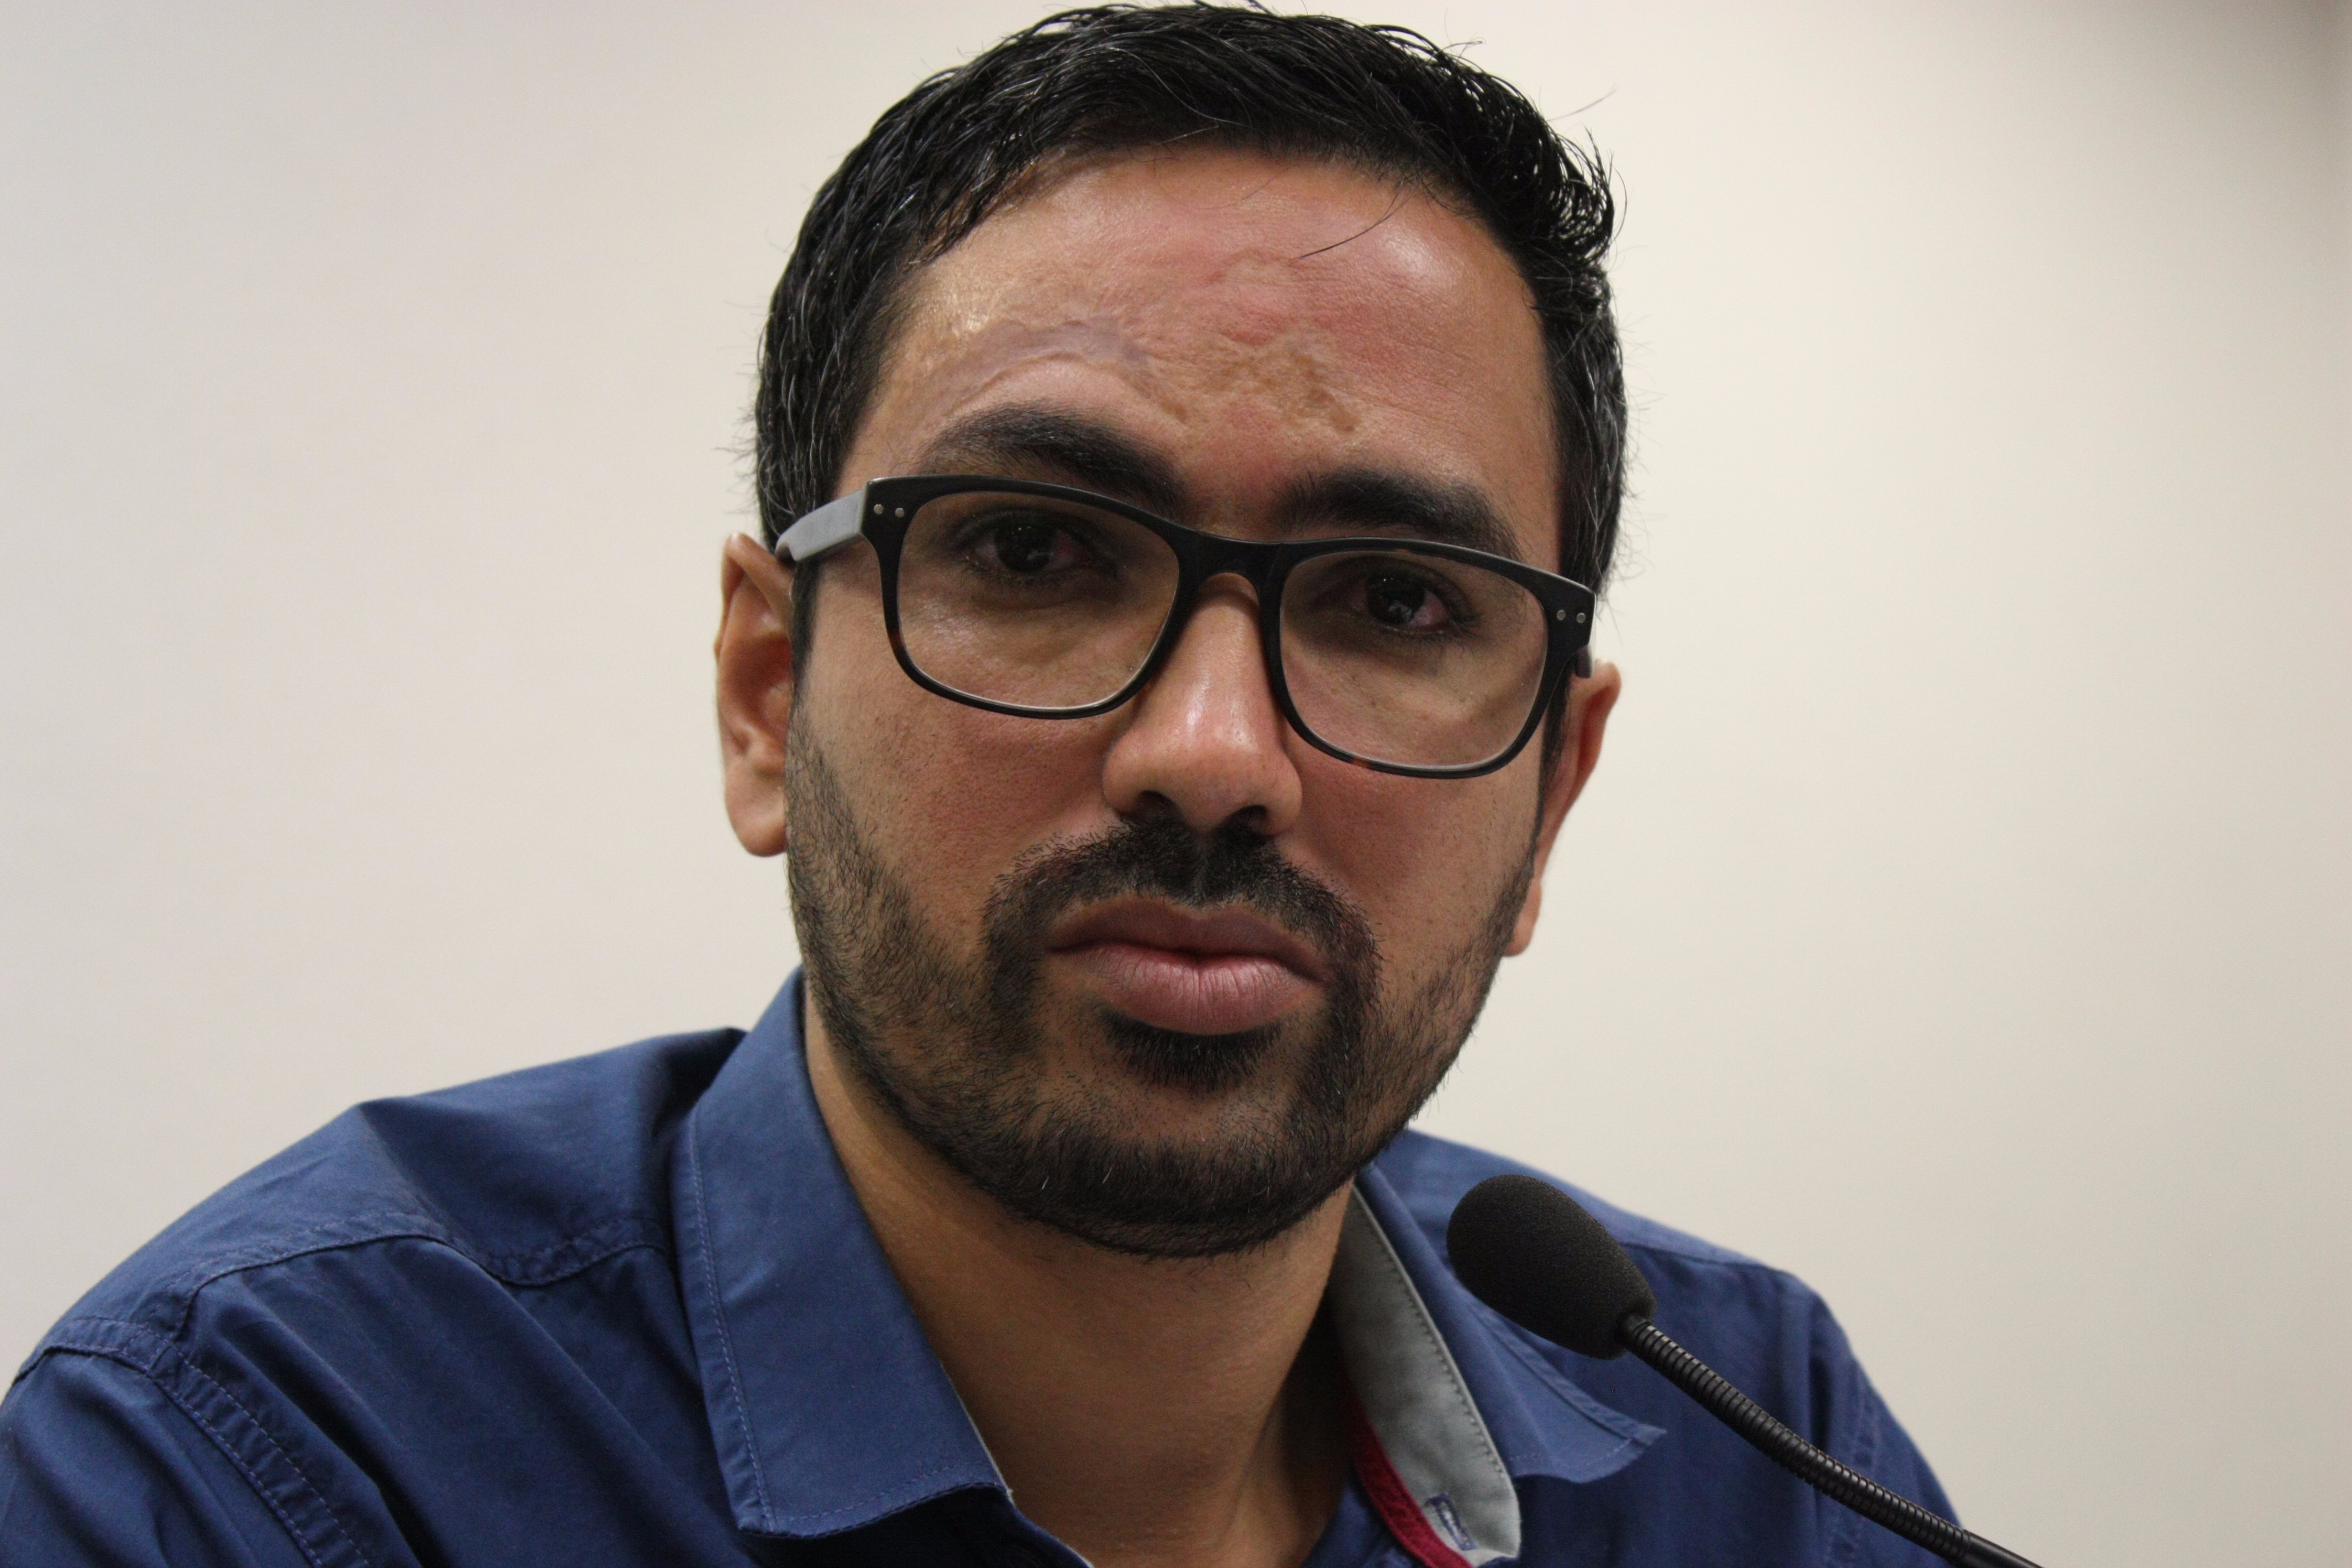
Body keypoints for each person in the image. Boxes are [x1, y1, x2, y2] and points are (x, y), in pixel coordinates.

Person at [0, 7, 1956, 1565]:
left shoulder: (1748, 1447)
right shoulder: (259, 1461)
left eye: (1392, 600)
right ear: (768, 694)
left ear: (1551, 795)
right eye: (1033, 553)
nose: (1215, 757)